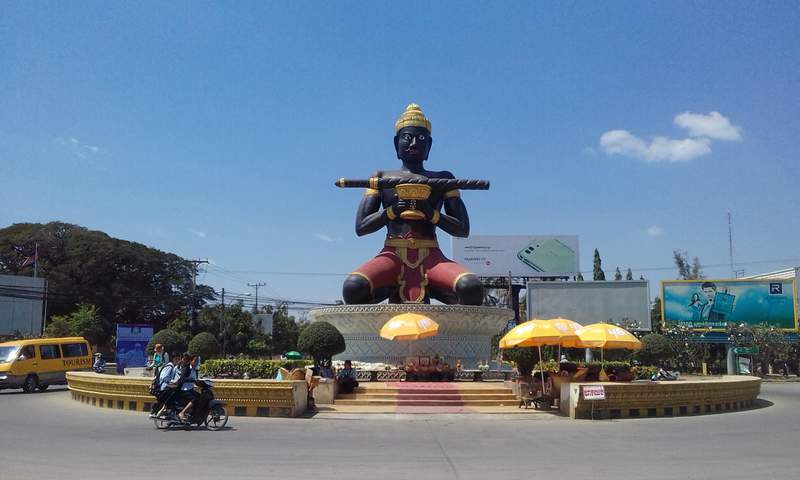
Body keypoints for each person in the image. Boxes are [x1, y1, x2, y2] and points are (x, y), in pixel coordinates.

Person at [341, 104, 483, 305]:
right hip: (392, 255)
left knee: (471, 288)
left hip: (432, 256)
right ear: (396, 143)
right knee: (353, 288)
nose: (414, 143)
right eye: (407, 137)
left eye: (421, 138)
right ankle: (389, 290)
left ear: (429, 145)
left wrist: (430, 213)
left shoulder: (443, 179)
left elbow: (462, 229)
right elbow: (361, 227)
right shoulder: (381, 177)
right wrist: (393, 210)